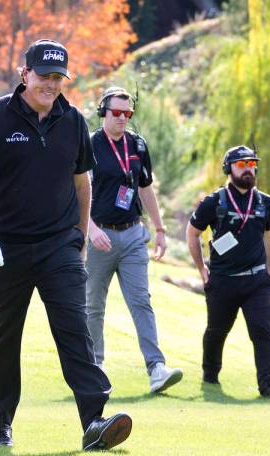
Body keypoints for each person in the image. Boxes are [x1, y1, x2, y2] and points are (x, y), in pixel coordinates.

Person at [0, 39, 132, 451]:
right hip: (4, 248)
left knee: (75, 329)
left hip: (58, 246)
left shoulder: (71, 120)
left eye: (58, 78)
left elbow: (81, 183)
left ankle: (94, 420)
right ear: (25, 75)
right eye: (44, 75)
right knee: (4, 335)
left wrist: (80, 237)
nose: (50, 84)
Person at [86, 87, 183, 393]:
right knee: (93, 306)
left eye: (128, 114)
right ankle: (95, 368)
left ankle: (156, 368)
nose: (122, 119)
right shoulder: (88, 145)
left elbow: (145, 188)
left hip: (131, 234)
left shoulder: (137, 145)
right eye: (116, 113)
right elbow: (73, 192)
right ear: (104, 112)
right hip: (99, 235)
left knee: (141, 302)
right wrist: (89, 229)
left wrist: (160, 229)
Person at [186, 145, 270, 398]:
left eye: (251, 164)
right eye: (241, 165)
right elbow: (192, 233)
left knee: (263, 331)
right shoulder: (213, 202)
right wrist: (202, 270)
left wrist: (268, 270)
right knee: (217, 331)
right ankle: (210, 374)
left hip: (257, 281)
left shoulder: (266, 203)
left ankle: (269, 385)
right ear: (229, 169)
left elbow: (269, 236)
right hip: (222, 281)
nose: (248, 169)